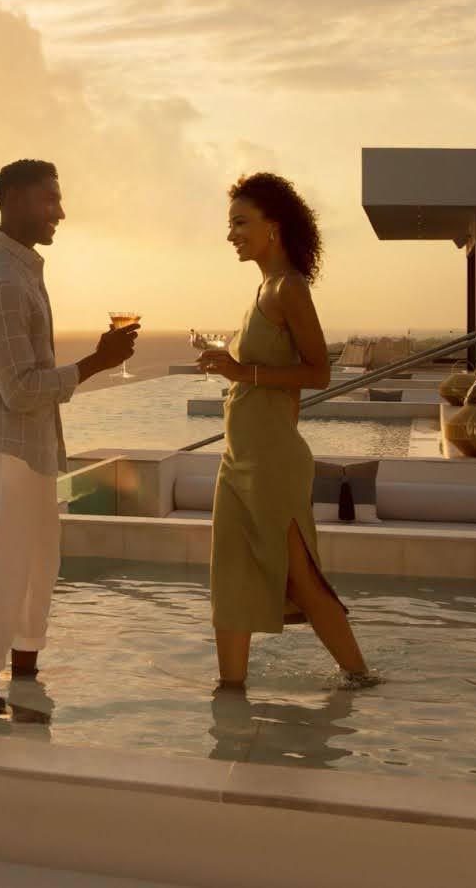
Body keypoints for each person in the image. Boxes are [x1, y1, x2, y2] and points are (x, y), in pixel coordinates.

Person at [0, 159, 138, 715]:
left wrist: (96, 362)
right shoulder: (1, 282)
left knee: (39, 564)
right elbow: (17, 389)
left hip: (30, 444)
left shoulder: (23, 270)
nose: (60, 211)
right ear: (13, 200)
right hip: (3, 442)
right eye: (48, 199)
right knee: (2, 566)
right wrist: (95, 364)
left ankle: (26, 678)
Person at [195, 172, 371, 689]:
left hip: (271, 460)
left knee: (300, 577)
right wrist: (224, 360)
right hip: (239, 456)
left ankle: (360, 678)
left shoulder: (290, 287)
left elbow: (319, 372)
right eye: (230, 224)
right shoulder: (263, 288)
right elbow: (262, 369)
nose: (231, 234)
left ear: (273, 226)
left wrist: (240, 372)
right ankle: (230, 690)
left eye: (240, 222)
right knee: (229, 572)